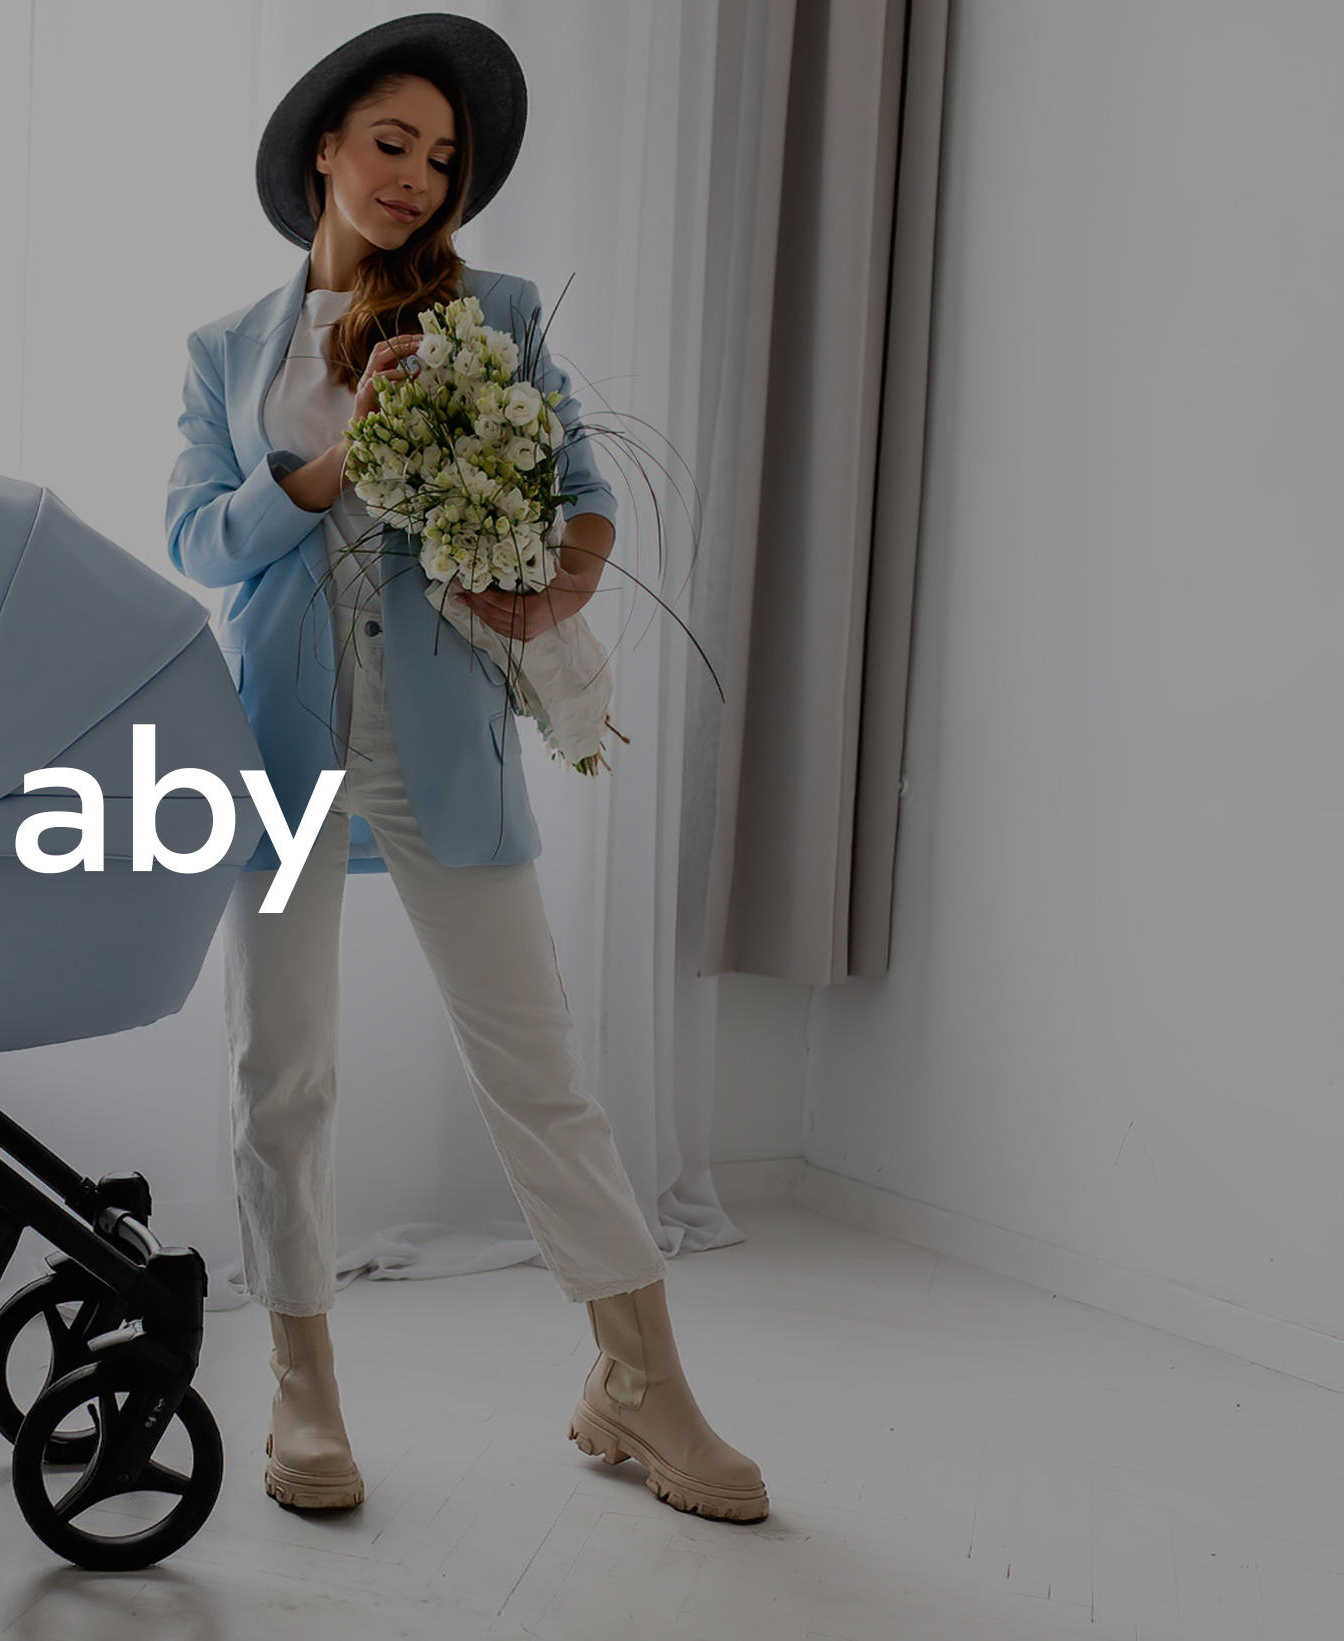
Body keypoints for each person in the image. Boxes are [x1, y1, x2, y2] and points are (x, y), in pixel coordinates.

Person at [163, 13, 768, 1525]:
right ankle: (302, 1387)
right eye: (393, 145)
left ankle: (638, 1381)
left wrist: (554, 588)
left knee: (539, 1071)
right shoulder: (224, 352)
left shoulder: (491, 313)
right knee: (281, 1070)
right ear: (324, 147)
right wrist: (330, 464)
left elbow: (585, 487)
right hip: (277, 749)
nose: (417, 180)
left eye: (442, 160)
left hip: (443, 743)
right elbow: (195, 540)